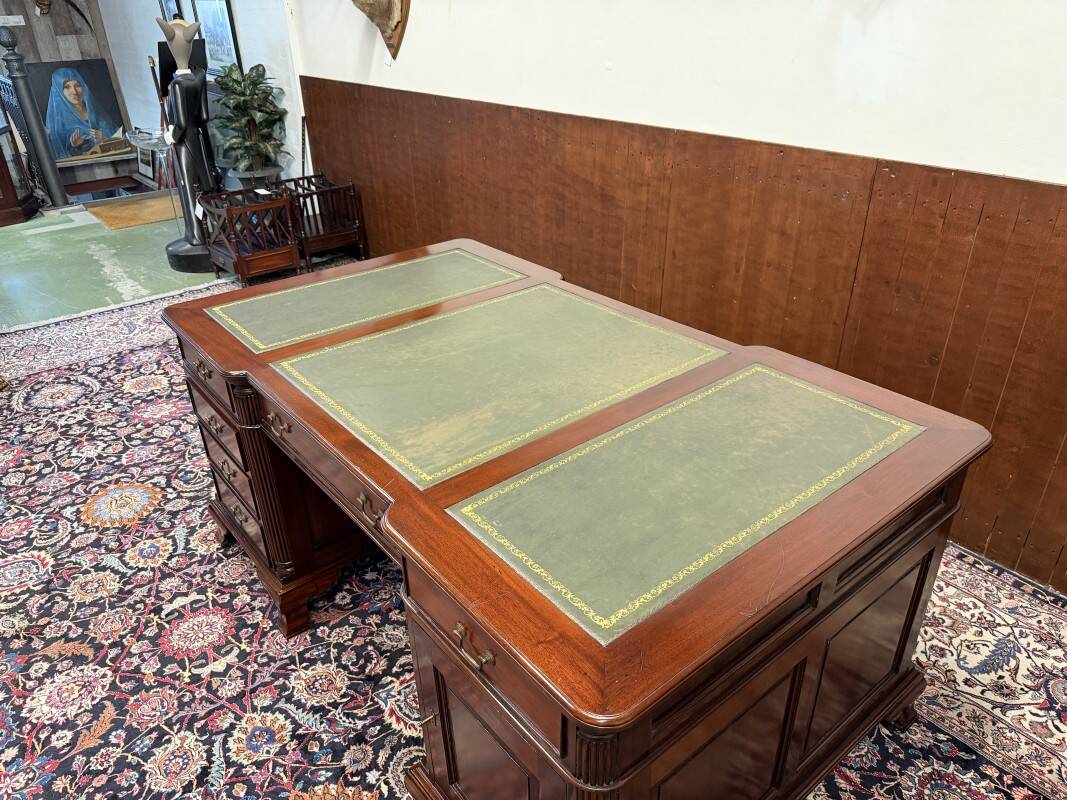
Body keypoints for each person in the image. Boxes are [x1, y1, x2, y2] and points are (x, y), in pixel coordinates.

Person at [44, 67, 119, 159]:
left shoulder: (96, 113)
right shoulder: (57, 122)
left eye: (77, 85)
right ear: (59, 91)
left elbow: (119, 139)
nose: (74, 92)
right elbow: (59, 155)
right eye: (67, 87)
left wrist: (105, 139)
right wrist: (77, 146)